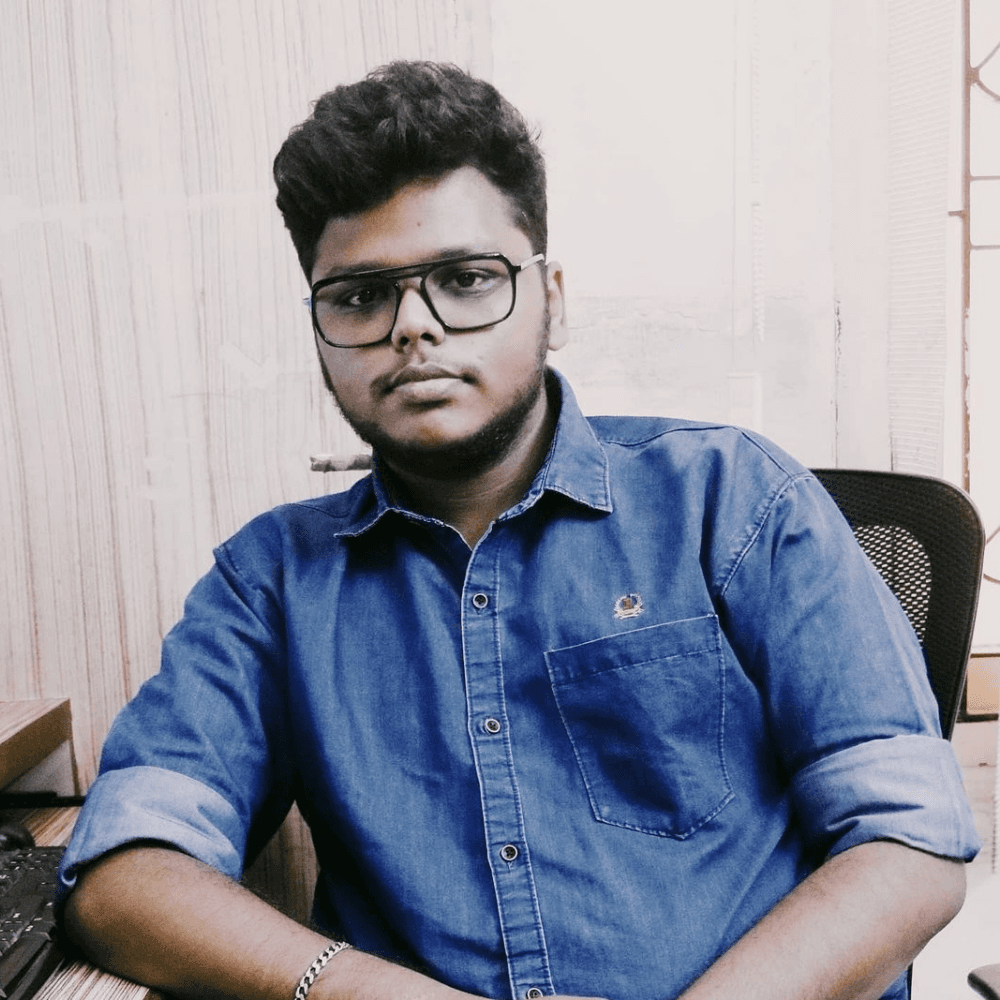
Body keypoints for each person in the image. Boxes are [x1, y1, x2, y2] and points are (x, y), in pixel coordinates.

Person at [58, 61, 979, 1000]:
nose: (413, 328)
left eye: (464, 279)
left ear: (554, 298)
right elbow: (122, 874)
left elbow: (910, 841)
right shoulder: (274, 580)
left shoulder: (733, 499)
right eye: (359, 296)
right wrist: (356, 990)